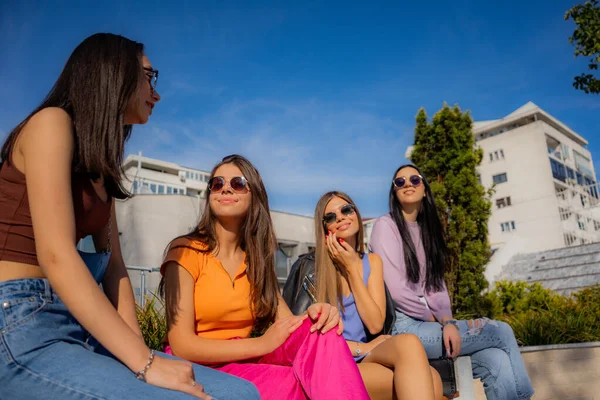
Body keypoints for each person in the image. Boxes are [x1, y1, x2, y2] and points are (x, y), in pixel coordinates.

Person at [0, 33, 259, 400]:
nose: (156, 94)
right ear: (114, 73)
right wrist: (146, 363)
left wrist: (140, 353)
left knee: (242, 393)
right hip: (17, 322)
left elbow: (116, 268)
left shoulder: (101, 170)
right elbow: (56, 254)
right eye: (149, 77)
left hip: (73, 323)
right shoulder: (51, 123)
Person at [159, 155, 371, 400]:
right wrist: (261, 345)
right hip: (199, 366)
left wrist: (318, 313)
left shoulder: (256, 261)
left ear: (254, 196)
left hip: (244, 359)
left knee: (321, 327)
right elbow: (182, 344)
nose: (225, 187)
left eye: (237, 183)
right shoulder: (186, 250)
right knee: (292, 383)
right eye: (217, 184)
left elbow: (291, 328)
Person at [369, 164, 535, 400]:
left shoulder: (428, 232)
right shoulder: (385, 226)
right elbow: (397, 290)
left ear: (425, 190)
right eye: (400, 182)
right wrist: (438, 322)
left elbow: (436, 288)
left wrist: (448, 321)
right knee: (502, 331)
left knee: (495, 360)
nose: (407, 184)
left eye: (414, 180)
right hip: (404, 329)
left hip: (430, 328)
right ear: (394, 192)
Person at [283, 191, 443, 400]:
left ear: (356, 214)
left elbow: (375, 324)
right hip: (331, 361)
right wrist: (363, 348)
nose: (341, 217)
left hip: (365, 357)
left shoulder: (373, 262)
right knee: (430, 379)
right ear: (325, 229)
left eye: (346, 209)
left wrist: (351, 268)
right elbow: (303, 337)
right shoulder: (311, 268)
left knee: (412, 346)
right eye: (331, 217)